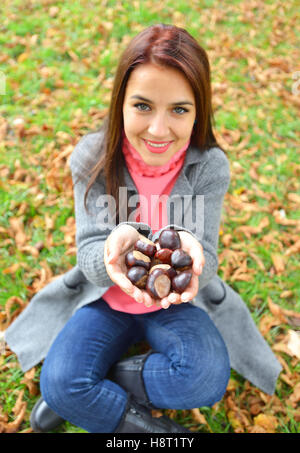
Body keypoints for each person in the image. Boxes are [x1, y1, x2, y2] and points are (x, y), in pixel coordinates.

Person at [4, 24, 282, 433]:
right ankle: (162, 434)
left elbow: (207, 257)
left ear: (199, 111)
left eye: (179, 110)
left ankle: (97, 383)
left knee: (205, 378)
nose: (158, 130)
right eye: (143, 106)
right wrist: (111, 252)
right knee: (60, 382)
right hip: (104, 299)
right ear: (120, 103)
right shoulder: (93, 158)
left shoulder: (209, 167)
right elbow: (87, 253)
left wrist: (196, 259)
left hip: (177, 306)